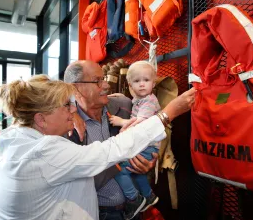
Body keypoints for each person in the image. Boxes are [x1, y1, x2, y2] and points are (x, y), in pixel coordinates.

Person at [0, 74, 196, 220]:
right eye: (65, 105)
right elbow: (108, 152)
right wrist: (167, 114)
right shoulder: (43, 152)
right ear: (41, 119)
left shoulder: (12, 138)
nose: (72, 110)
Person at [64, 60, 196, 220]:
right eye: (97, 81)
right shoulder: (67, 128)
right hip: (99, 213)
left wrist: (148, 164)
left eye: (104, 78)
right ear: (75, 88)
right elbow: (78, 180)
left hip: (135, 211)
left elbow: (147, 139)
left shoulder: (125, 105)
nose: (106, 85)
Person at [109, 61, 161, 219]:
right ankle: (149, 195)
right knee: (136, 172)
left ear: (153, 82)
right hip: (145, 145)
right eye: (137, 81)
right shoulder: (139, 100)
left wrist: (121, 123)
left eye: (146, 80)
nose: (142, 84)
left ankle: (134, 198)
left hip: (147, 146)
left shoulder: (149, 101)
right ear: (130, 85)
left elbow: (142, 123)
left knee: (119, 169)